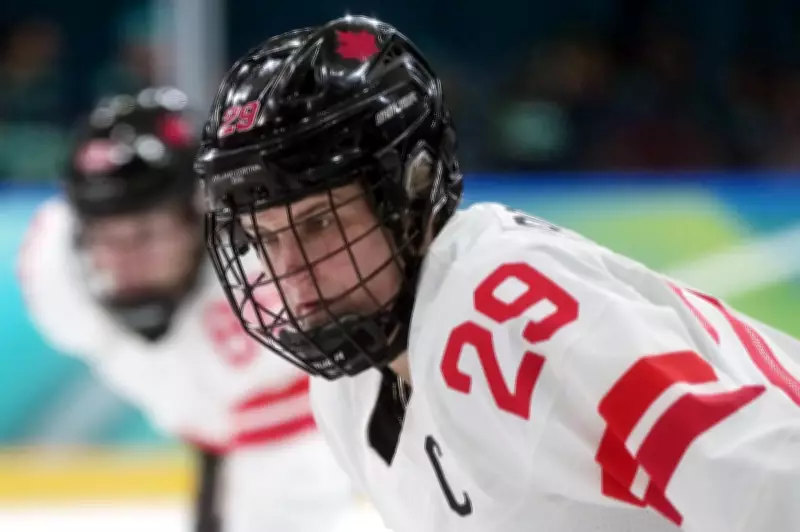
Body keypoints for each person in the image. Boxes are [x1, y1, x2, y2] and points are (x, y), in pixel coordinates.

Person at [195, 14, 800, 532]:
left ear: (410, 188)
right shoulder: (347, 391)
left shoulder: (505, 309)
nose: (291, 271)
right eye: (266, 236)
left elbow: (768, 478)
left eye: (318, 225)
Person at [17, 87, 367, 532]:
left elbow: (289, 485)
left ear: (198, 214)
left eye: (145, 232)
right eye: (105, 237)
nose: (124, 260)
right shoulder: (54, 270)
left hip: (284, 429)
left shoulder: (268, 286)